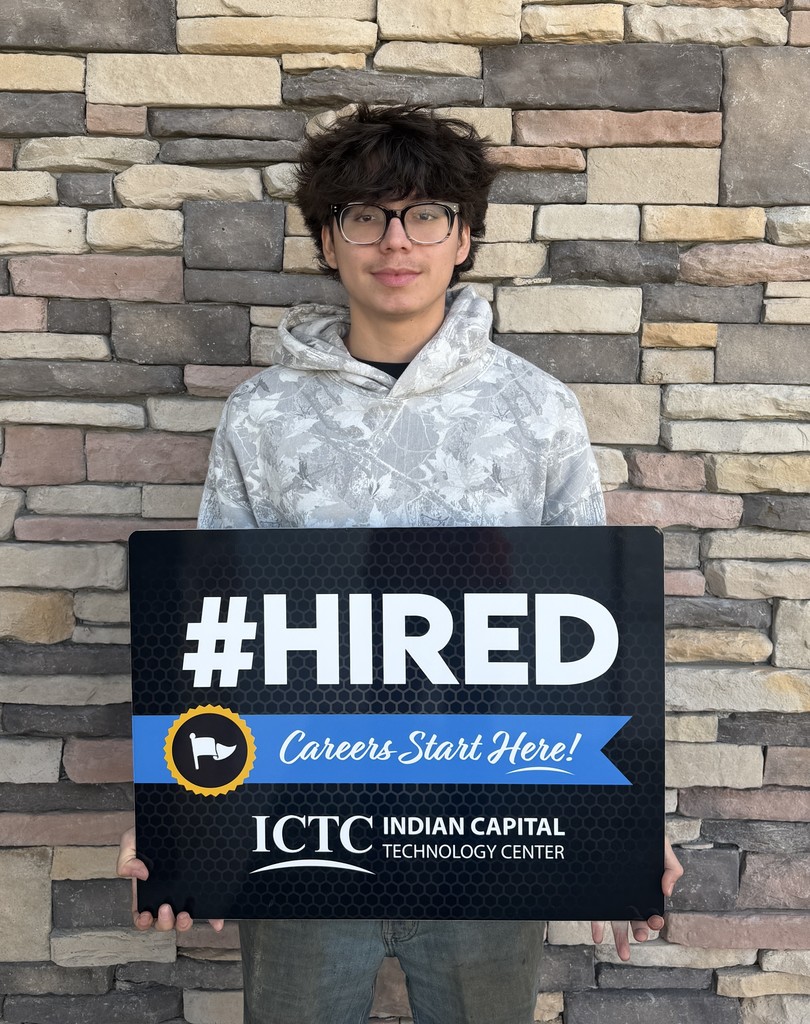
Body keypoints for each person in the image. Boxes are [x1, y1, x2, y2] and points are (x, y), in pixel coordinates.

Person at [118, 105, 682, 1024]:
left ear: (463, 239)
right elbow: (212, 636)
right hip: (305, 823)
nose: (396, 241)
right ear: (328, 241)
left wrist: (629, 819)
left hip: (490, 826)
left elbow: (596, 630)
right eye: (366, 216)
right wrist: (181, 814)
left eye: (425, 216)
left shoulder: (536, 411)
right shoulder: (262, 417)